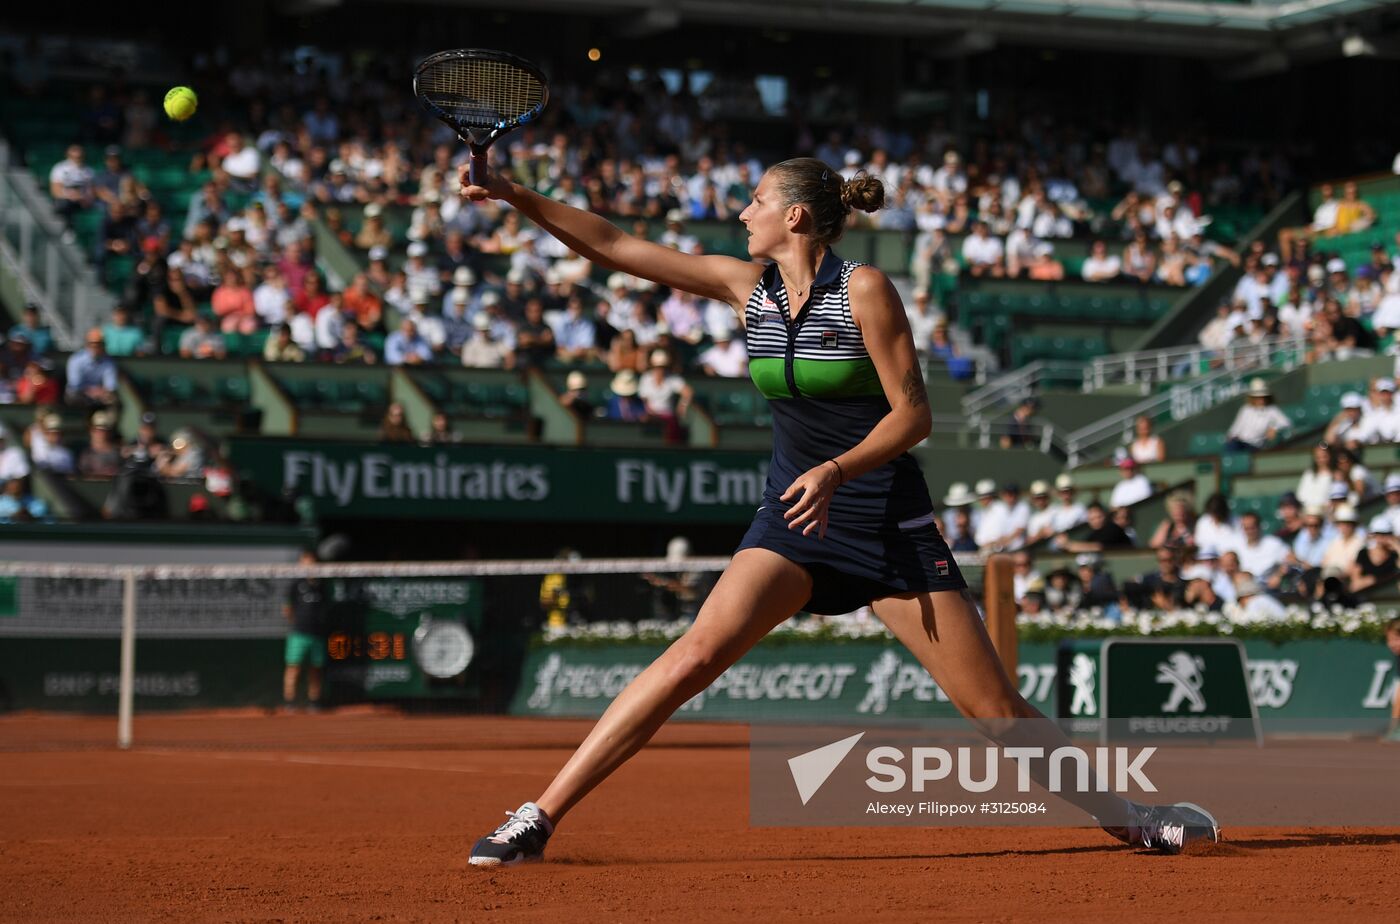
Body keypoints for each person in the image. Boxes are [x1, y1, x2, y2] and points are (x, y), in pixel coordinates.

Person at [460, 156, 1214, 865]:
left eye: (756, 199)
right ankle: (540, 815)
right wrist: (514, 194)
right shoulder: (742, 286)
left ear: (794, 217)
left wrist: (837, 470)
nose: (742, 211)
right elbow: (616, 243)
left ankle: (1134, 821)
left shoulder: (865, 291)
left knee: (993, 709)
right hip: (792, 518)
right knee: (694, 655)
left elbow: (913, 416)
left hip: (883, 521)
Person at [283, 549, 327, 711]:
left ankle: (314, 702)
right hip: (298, 633)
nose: (308, 564)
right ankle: (289, 702)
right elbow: (287, 609)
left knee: (315, 669)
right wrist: (297, 624)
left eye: (311, 560)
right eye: (305, 560)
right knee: (293, 667)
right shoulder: (295, 584)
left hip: (317, 634)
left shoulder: (322, 584)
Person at [1224, 378, 1289, 451]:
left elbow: (1286, 423)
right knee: (1231, 445)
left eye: (1262, 397)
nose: (1260, 399)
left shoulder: (1271, 410)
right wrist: (1231, 436)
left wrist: (1274, 428)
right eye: (1257, 397)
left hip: (1255, 445)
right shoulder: (1245, 409)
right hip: (1240, 443)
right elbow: (1236, 427)